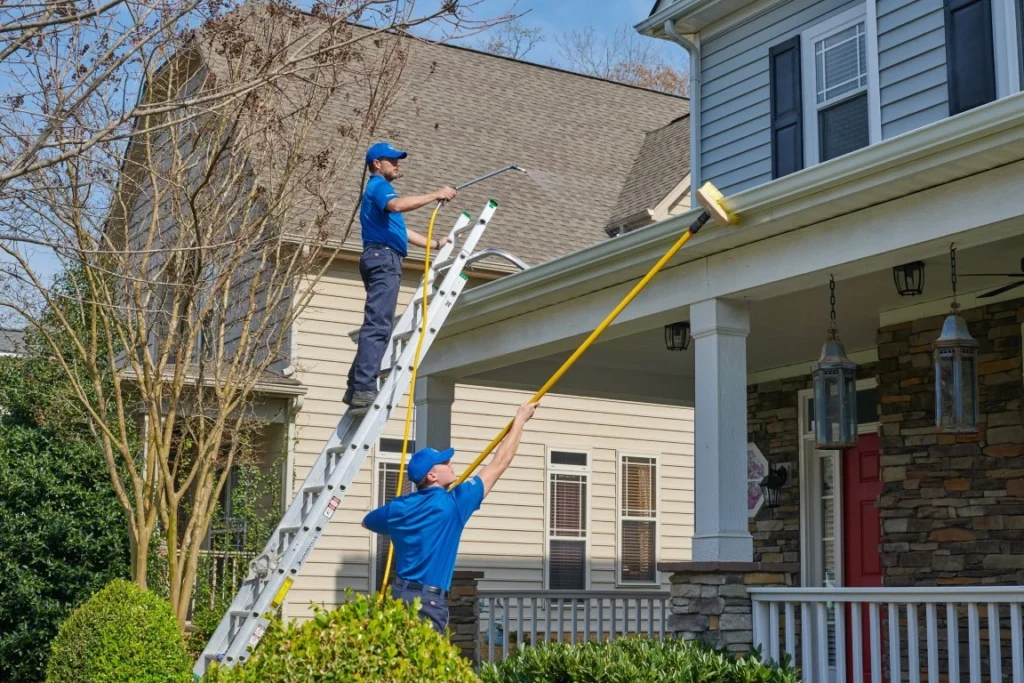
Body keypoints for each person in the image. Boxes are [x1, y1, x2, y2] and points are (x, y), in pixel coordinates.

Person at [362, 401, 538, 633]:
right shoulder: (454, 503)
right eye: (445, 462)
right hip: (428, 603)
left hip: (400, 597)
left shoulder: (398, 509)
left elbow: (367, 521)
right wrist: (520, 421)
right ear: (432, 475)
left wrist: (401, 520)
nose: (451, 463)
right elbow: (500, 463)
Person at [344, 142, 458, 411]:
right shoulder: (380, 187)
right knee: (379, 325)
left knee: (378, 322)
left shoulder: (378, 194)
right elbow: (396, 206)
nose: (396, 164)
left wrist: (435, 245)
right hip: (383, 259)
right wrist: (435, 194)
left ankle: (355, 386)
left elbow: (401, 232)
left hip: (382, 256)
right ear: (376, 164)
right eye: (391, 160)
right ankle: (363, 388)